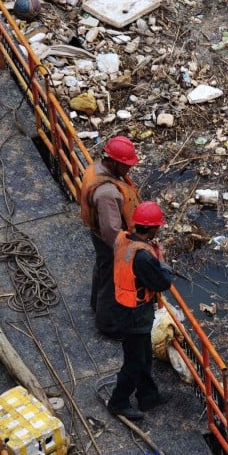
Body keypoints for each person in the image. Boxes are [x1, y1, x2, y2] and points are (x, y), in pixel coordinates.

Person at [106, 201, 173, 420]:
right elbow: (162, 282)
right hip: (134, 314)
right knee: (134, 361)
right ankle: (118, 401)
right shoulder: (143, 256)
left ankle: (148, 396)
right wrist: (160, 257)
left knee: (143, 355)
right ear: (153, 228)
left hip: (122, 306)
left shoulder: (123, 239)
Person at [79, 135, 141, 337]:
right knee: (111, 280)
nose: (128, 170)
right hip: (109, 241)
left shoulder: (96, 169)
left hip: (96, 233)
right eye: (125, 165)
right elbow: (111, 230)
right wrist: (127, 250)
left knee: (102, 269)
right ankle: (108, 325)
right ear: (114, 163)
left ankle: (95, 304)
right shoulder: (107, 193)